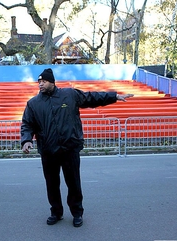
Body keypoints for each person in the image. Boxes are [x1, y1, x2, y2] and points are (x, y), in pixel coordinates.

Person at [21, 68, 134, 227]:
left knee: (73, 183)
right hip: (48, 150)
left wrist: (113, 96)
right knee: (52, 184)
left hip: (70, 148)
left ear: (52, 82)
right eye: (39, 81)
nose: (40, 84)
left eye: (44, 81)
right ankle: (56, 212)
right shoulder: (33, 103)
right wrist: (26, 140)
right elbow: (27, 124)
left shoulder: (70, 95)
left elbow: (92, 97)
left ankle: (77, 213)